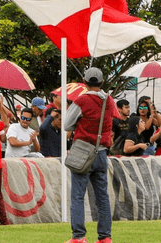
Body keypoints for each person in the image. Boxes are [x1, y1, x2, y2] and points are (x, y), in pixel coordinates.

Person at [64, 67, 115, 243]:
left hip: (83, 152)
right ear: (101, 82)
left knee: (77, 196)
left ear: (84, 82)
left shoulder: (81, 101)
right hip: (101, 153)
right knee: (102, 197)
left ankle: (79, 236)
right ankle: (105, 237)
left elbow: (67, 125)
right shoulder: (110, 100)